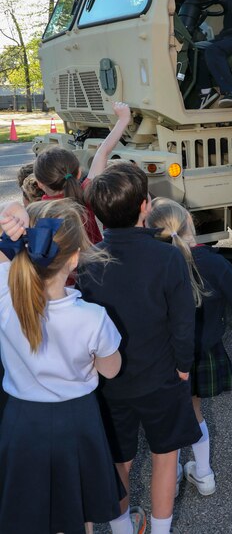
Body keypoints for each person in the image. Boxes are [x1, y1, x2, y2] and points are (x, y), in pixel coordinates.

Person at [79, 163, 201, 534]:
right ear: (145, 206)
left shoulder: (89, 261)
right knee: (166, 457)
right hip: (161, 375)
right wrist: (183, 366)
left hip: (110, 382)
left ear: (98, 214)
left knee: (120, 461)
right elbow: (183, 321)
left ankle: (121, 529)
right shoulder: (168, 257)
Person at [0, 198, 126, 534]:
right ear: (74, 260)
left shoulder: (4, 300)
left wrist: (13, 215)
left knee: (28, 508)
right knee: (77, 507)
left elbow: (2, 255)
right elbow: (111, 370)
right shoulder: (92, 318)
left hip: (22, 420)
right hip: (77, 420)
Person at [146, 198, 232, 496]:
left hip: (163, 356)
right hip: (204, 352)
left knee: (169, 417)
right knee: (196, 412)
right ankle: (204, 474)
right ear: (190, 222)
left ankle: (169, 478)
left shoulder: (155, 265)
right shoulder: (214, 262)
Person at [32, 100, 132, 243]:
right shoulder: (84, 196)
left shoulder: (37, 213)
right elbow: (102, 152)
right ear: (78, 173)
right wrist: (123, 119)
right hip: (94, 263)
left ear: (40, 183)